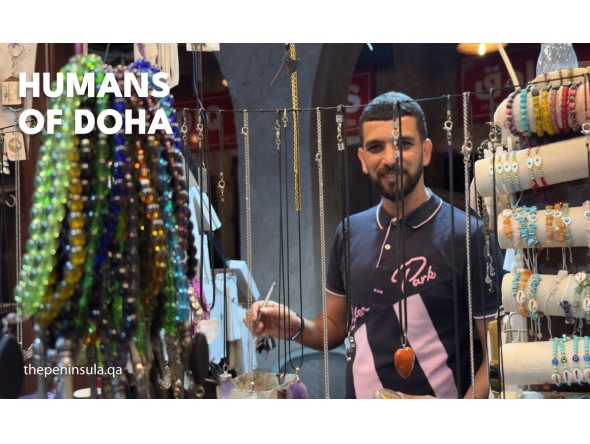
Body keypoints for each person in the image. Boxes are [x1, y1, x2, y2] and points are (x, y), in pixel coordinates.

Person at [244, 91, 503, 399]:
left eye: (403, 144)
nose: (389, 157)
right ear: (363, 160)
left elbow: (498, 358)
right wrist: (296, 327)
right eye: (375, 147)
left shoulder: (468, 236)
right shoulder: (349, 232)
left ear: (427, 151)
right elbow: (335, 326)